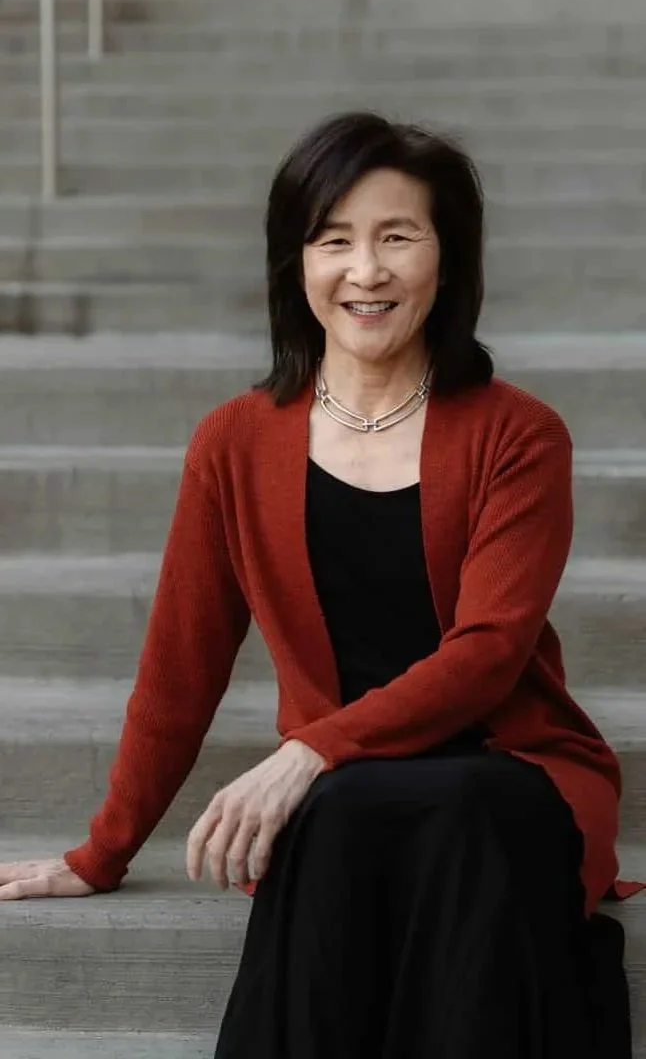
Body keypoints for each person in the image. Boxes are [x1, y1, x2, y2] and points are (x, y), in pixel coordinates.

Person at [0, 111, 641, 1057]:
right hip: (352, 793)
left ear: (448, 258)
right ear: (295, 263)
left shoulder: (518, 434)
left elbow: (489, 653)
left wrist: (310, 752)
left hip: (511, 773)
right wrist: (104, 851)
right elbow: (180, 668)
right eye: (334, 240)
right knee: (343, 815)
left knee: (418, 807)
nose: (365, 271)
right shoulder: (234, 443)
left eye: (398, 237)